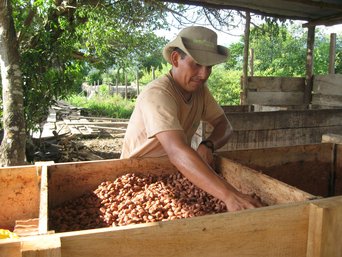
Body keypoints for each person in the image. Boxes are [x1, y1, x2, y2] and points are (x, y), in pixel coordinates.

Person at [121, 26, 262, 211]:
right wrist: (229, 195)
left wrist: (208, 145)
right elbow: (176, 150)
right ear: (175, 59)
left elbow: (225, 126)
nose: (204, 75)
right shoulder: (158, 93)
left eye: (209, 67)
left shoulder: (200, 92)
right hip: (138, 179)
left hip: (181, 172)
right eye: (196, 64)